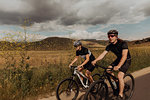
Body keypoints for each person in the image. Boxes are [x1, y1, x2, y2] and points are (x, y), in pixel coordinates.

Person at [92, 30, 131, 99]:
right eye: (109, 36)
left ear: (116, 36)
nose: (110, 37)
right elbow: (103, 54)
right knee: (108, 70)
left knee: (120, 76)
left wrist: (118, 66)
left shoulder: (123, 43)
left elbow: (124, 56)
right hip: (119, 59)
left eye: (112, 36)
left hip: (126, 60)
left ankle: (120, 94)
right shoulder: (109, 46)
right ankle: (116, 81)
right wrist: (95, 60)